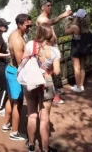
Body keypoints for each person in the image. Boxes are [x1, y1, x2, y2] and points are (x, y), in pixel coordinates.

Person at [25, 24, 60, 152]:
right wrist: (47, 71)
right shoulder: (54, 50)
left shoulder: (30, 44)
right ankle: (45, 149)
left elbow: (24, 61)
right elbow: (57, 71)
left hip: (31, 82)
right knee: (44, 118)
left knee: (32, 115)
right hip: (46, 82)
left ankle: (31, 144)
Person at [2, 14, 32, 141]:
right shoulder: (18, 41)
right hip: (16, 72)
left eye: (30, 25)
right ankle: (14, 132)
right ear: (20, 24)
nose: (29, 28)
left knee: (10, 99)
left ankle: (6, 124)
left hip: (9, 69)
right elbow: (21, 64)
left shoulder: (14, 34)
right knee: (18, 103)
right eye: (28, 25)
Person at [36, 0, 72, 104]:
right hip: (47, 48)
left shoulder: (46, 18)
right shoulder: (41, 19)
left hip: (51, 46)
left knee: (52, 71)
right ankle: (52, 95)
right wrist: (63, 15)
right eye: (48, 5)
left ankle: (53, 90)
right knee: (50, 71)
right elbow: (50, 22)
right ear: (42, 7)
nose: (50, 7)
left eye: (51, 5)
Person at [64, 9, 90, 93]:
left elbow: (66, 32)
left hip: (76, 48)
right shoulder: (86, 26)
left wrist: (67, 21)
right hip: (84, 47)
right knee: (82, 66)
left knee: (76, 67)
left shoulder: (75, 27)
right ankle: (81, 85)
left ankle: (78, 87)